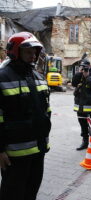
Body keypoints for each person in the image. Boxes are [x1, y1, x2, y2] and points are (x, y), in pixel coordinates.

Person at [0, 32, 51, 200]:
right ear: (15, 51)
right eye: (28, 51)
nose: (33, 56)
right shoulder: (3, 77)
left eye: (35, 52)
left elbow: (46, 111)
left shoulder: (38, 76)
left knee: (31, 192)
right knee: (12, 194)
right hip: (15, 154)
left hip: (38, 149)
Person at [72, 59, 91, 150]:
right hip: (80, 106)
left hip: (90, 107)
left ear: (90, 66)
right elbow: (73, 83)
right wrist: (79, 73)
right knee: (83, 125)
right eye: (82, 67)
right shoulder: (79, 76)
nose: (84, 69)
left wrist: (88, 76)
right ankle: (85, 142)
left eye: (85, 67)